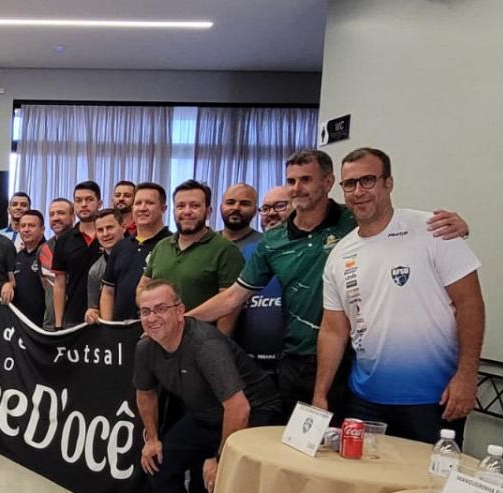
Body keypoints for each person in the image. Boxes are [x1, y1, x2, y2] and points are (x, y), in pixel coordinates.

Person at [187, 150, 471, 416]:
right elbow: (233, 297)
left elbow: (396, 224)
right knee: (291, 441)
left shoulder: (354, 221)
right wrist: (182, 319)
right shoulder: (273, 241)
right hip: (294, 359)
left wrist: (457, 227)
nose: (297, 188)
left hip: (350, 362)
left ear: (328, 183)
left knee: (343, 444)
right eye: (291, 181)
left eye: (306, 180)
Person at [313, 148, 484, 442]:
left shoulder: (434, 230)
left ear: (388, 183)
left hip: (433, 398)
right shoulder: (339, 254)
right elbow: (333, 330)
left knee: (427, 473)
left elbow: (470, 304)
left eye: (368, 180)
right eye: (350, 184)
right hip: (364, 399)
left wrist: (467, 376)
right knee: (361, 471)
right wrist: (320, 393)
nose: (358, 191)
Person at [135, 279, 283, 493]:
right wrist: (152, 439)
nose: (152, 318)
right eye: (145, 311)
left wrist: (221, 458)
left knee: (228, 477)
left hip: (256, 411)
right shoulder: (146, 347)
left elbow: (239, 408)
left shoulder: (205, 345)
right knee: (159, 462)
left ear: (180, 311)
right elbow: (145, 394)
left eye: (161, 309)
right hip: (207, 413)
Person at [140, 180, 244, 334]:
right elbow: (142, 287)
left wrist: (219, 343)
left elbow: (230, 307)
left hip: (202, 341)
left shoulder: (226, 250)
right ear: (174, 211)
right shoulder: (161, 247)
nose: (187, 211)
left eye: (195, 206)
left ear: (208, 211)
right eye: (181, 206)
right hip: (159, 338)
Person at [229, 185, 285, 372]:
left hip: (295, 366)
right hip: (248, 364)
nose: (271, 213)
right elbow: (230, 300)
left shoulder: (312, 253)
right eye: (266, 208)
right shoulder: (246, 253)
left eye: (280, 206)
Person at [100, 183, 173, 322]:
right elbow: (108, 291)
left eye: (149, 203)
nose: (142, 208)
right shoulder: (120, 246)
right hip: (119, 329)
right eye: (138, 203)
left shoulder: (172, 245)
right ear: (133, 208)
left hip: (156, 328)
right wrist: (107, 326)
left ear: (163, 208)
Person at [49, 196, 102, 328]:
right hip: (73, 318)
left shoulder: (107, 236)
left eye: (89, 199)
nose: (84, 204)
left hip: (105, 316)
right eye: (78, 200)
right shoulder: (63, 240)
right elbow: (59, 285)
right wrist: (58, 325)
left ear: (99, 203)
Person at [83, 208, 126, 323]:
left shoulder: (137, 256)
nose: (105, 234)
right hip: (111, 327)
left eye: (110, 227)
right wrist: (91, 314)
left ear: (123, 227)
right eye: (100, 230)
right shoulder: (95, 271)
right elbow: (93, 308)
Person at [39, 198, 74, 328]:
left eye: (61, 213)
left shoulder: (81, 246)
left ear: (73, 216)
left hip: (76, 323)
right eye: (52, 214)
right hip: (50, 324)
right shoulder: (43, 249)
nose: (55, 218)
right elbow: (45, 286)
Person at [11, 210, 49, 326]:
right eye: (23, 226)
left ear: (42, 230)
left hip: (44, 325)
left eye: (31, 226)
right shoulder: (17, 257)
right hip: (20, 324)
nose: (26, 229)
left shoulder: (50, 253)